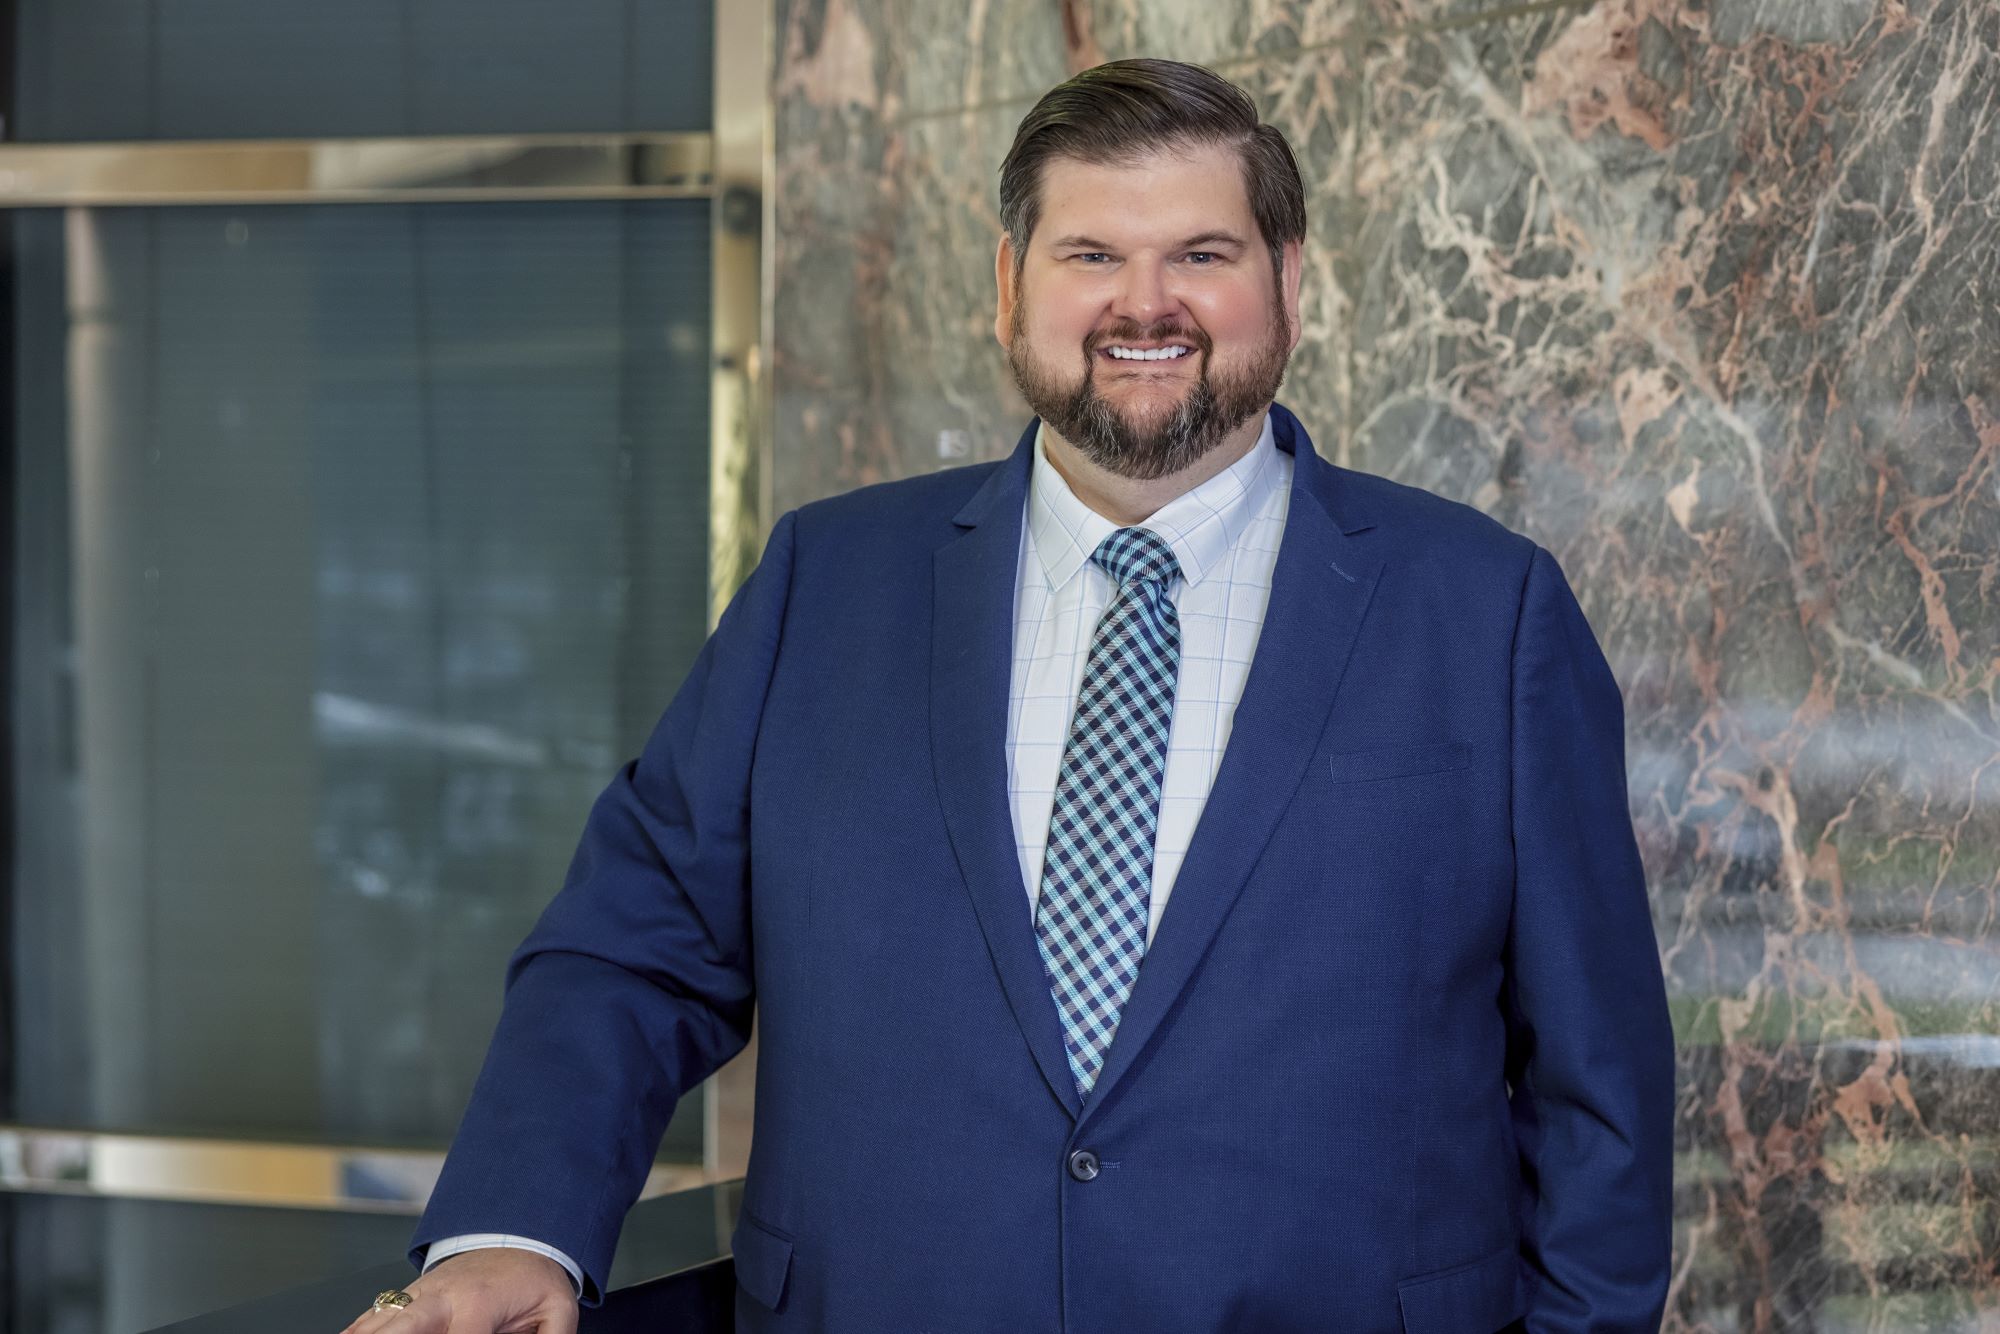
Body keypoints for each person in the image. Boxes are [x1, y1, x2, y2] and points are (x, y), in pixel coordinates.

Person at [341, 57, 1674, 1334]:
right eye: (1090, 253)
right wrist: (511, 1224)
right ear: (1007, 285)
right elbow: (634, 945)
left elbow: (1596, 1098)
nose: (1142, 304)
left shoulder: (1487, 614)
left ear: (1288, 281)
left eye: (1200, 255)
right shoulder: (828, 583)